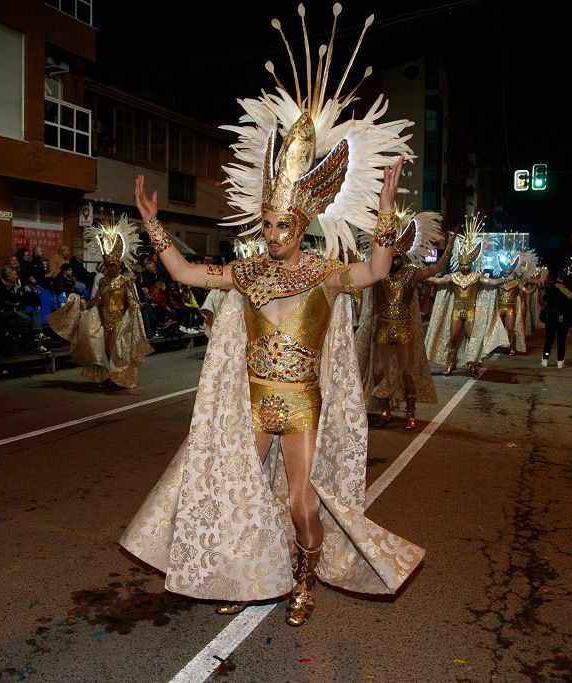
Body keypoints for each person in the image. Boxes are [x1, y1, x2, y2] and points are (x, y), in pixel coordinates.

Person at [120, 13, 423, 627]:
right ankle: (247, 572)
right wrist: (154, 226)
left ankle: (304, 582)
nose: (273, 233)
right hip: (255, 401)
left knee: (302, 503)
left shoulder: (323, 272)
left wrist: (386, 211)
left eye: (284, 224)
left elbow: (375, 271)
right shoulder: (250, 271)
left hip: (301, 403)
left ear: (304, 223)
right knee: (240, 494)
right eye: (267, 223)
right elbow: (185, 275)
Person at [355, 213, 451, 429]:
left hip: (403, 328)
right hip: (382, 328)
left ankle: (410, 410)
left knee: (407, 372)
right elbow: (354, 265)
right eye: (391, 257)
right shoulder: (377, 274)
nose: (394, 261)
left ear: (403, 256)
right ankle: (385, 408)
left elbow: (436, 269)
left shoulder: (411, 274)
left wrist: (449, 247)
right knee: (379, 370)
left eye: (397, 256)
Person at [47, 215, 152, 389]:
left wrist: (134, 306)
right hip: (104, 321)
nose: (109, 268)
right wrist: (83, 303)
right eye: (107, 265)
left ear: (118, 265)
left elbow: (131, 299)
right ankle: (109, 378)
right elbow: (97, 299)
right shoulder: (103, 281)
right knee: (104, 351)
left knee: (116, 351)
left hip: (119, 321)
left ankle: (117, 378)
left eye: (112, 265)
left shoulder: (125, 281)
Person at [424, 215, 515, 377]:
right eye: (461, 263)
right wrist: (420, 275)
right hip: (457, 311)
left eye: (466, 264)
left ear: (471, 263)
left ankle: (473, 366)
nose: (464, 266)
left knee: (472, 339)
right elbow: (437, 281)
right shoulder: (454, 277)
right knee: (452, 338)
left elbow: (492, 283)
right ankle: (451, 364)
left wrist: (506, 279)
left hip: (471, 312)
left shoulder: (476, 277)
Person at [0, 266, 47, 352]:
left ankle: (37, 334)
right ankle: (35, 343)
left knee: (35, 312)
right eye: (15, 275)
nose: (17, 276)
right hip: (8, 314)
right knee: (29, 320)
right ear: (8, 277)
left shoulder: (15, 286)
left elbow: (24, 300)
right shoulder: (0, 287)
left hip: (18, 311)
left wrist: (25, 293)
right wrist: (19, 293)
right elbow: (13, 300)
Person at [540, 271, 572, 368]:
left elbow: (545, 298)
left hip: (552, 317)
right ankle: (560, 361)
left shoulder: (551, 288)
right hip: (564, 317)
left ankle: (545, 359)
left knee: (549, 339)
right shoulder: (569, 290)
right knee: (561, 340)